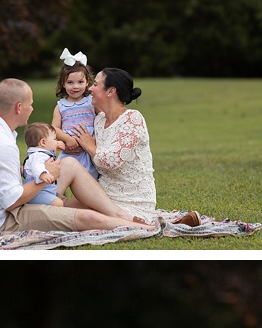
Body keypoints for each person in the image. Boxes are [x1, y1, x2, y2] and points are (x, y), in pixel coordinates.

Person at [0, 78, 158, 234]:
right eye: (30, 105)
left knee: (70, 164)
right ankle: (146, 229)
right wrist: (46, 177)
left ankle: (119, 214)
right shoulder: (2, 145)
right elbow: (11, 201)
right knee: (87, 217)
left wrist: (27, 170)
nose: (32, 109)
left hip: (4, 210)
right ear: (19, 108)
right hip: (4, 221)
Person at [70, 68, 201, 228]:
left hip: (133, 200)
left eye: (95, 84)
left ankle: (150, 224)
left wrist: (90, 146)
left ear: (111, 91)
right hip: (103, 196)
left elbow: (111, 161)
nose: (90, 88)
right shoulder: (99, 120)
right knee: (63, 210)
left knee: (81, 219)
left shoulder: (133, 119)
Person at [52, 48, 98, 179]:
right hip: (70, 151)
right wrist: (68, 139)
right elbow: (54, 128)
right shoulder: (61, 106)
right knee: (61, 176)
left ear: (88, 82)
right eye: (70, 82)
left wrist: (93, 140)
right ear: (63, 83)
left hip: (89, 150)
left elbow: (101, 121)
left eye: (80, 82)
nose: (75, 86)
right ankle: (60, 197)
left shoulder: (91, 102)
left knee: (91, 180)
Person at [22, 123, 66, 208]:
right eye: (54, 139)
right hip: (38, 193)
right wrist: (43, 174)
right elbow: (36, 166)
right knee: (58, 203)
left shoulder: (40, 154)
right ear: (43, 142)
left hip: (43, 191)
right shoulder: (38, 155)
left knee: (56, 201)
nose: (56, 141)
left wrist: (54, 148)